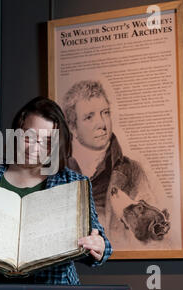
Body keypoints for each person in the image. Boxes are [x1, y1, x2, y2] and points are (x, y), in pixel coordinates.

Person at [0, 96, 112, 284]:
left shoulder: (72, 184)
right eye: (29, 137)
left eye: (47, 142)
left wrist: (98, 246)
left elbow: (99, 242)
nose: (36, 148)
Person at [62, 80, 158, 245]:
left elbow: (149, 237)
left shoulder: (132, 171)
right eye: (89, 117)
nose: (102, 124)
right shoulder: (59, 171)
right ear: (72, 127)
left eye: (105, 113)